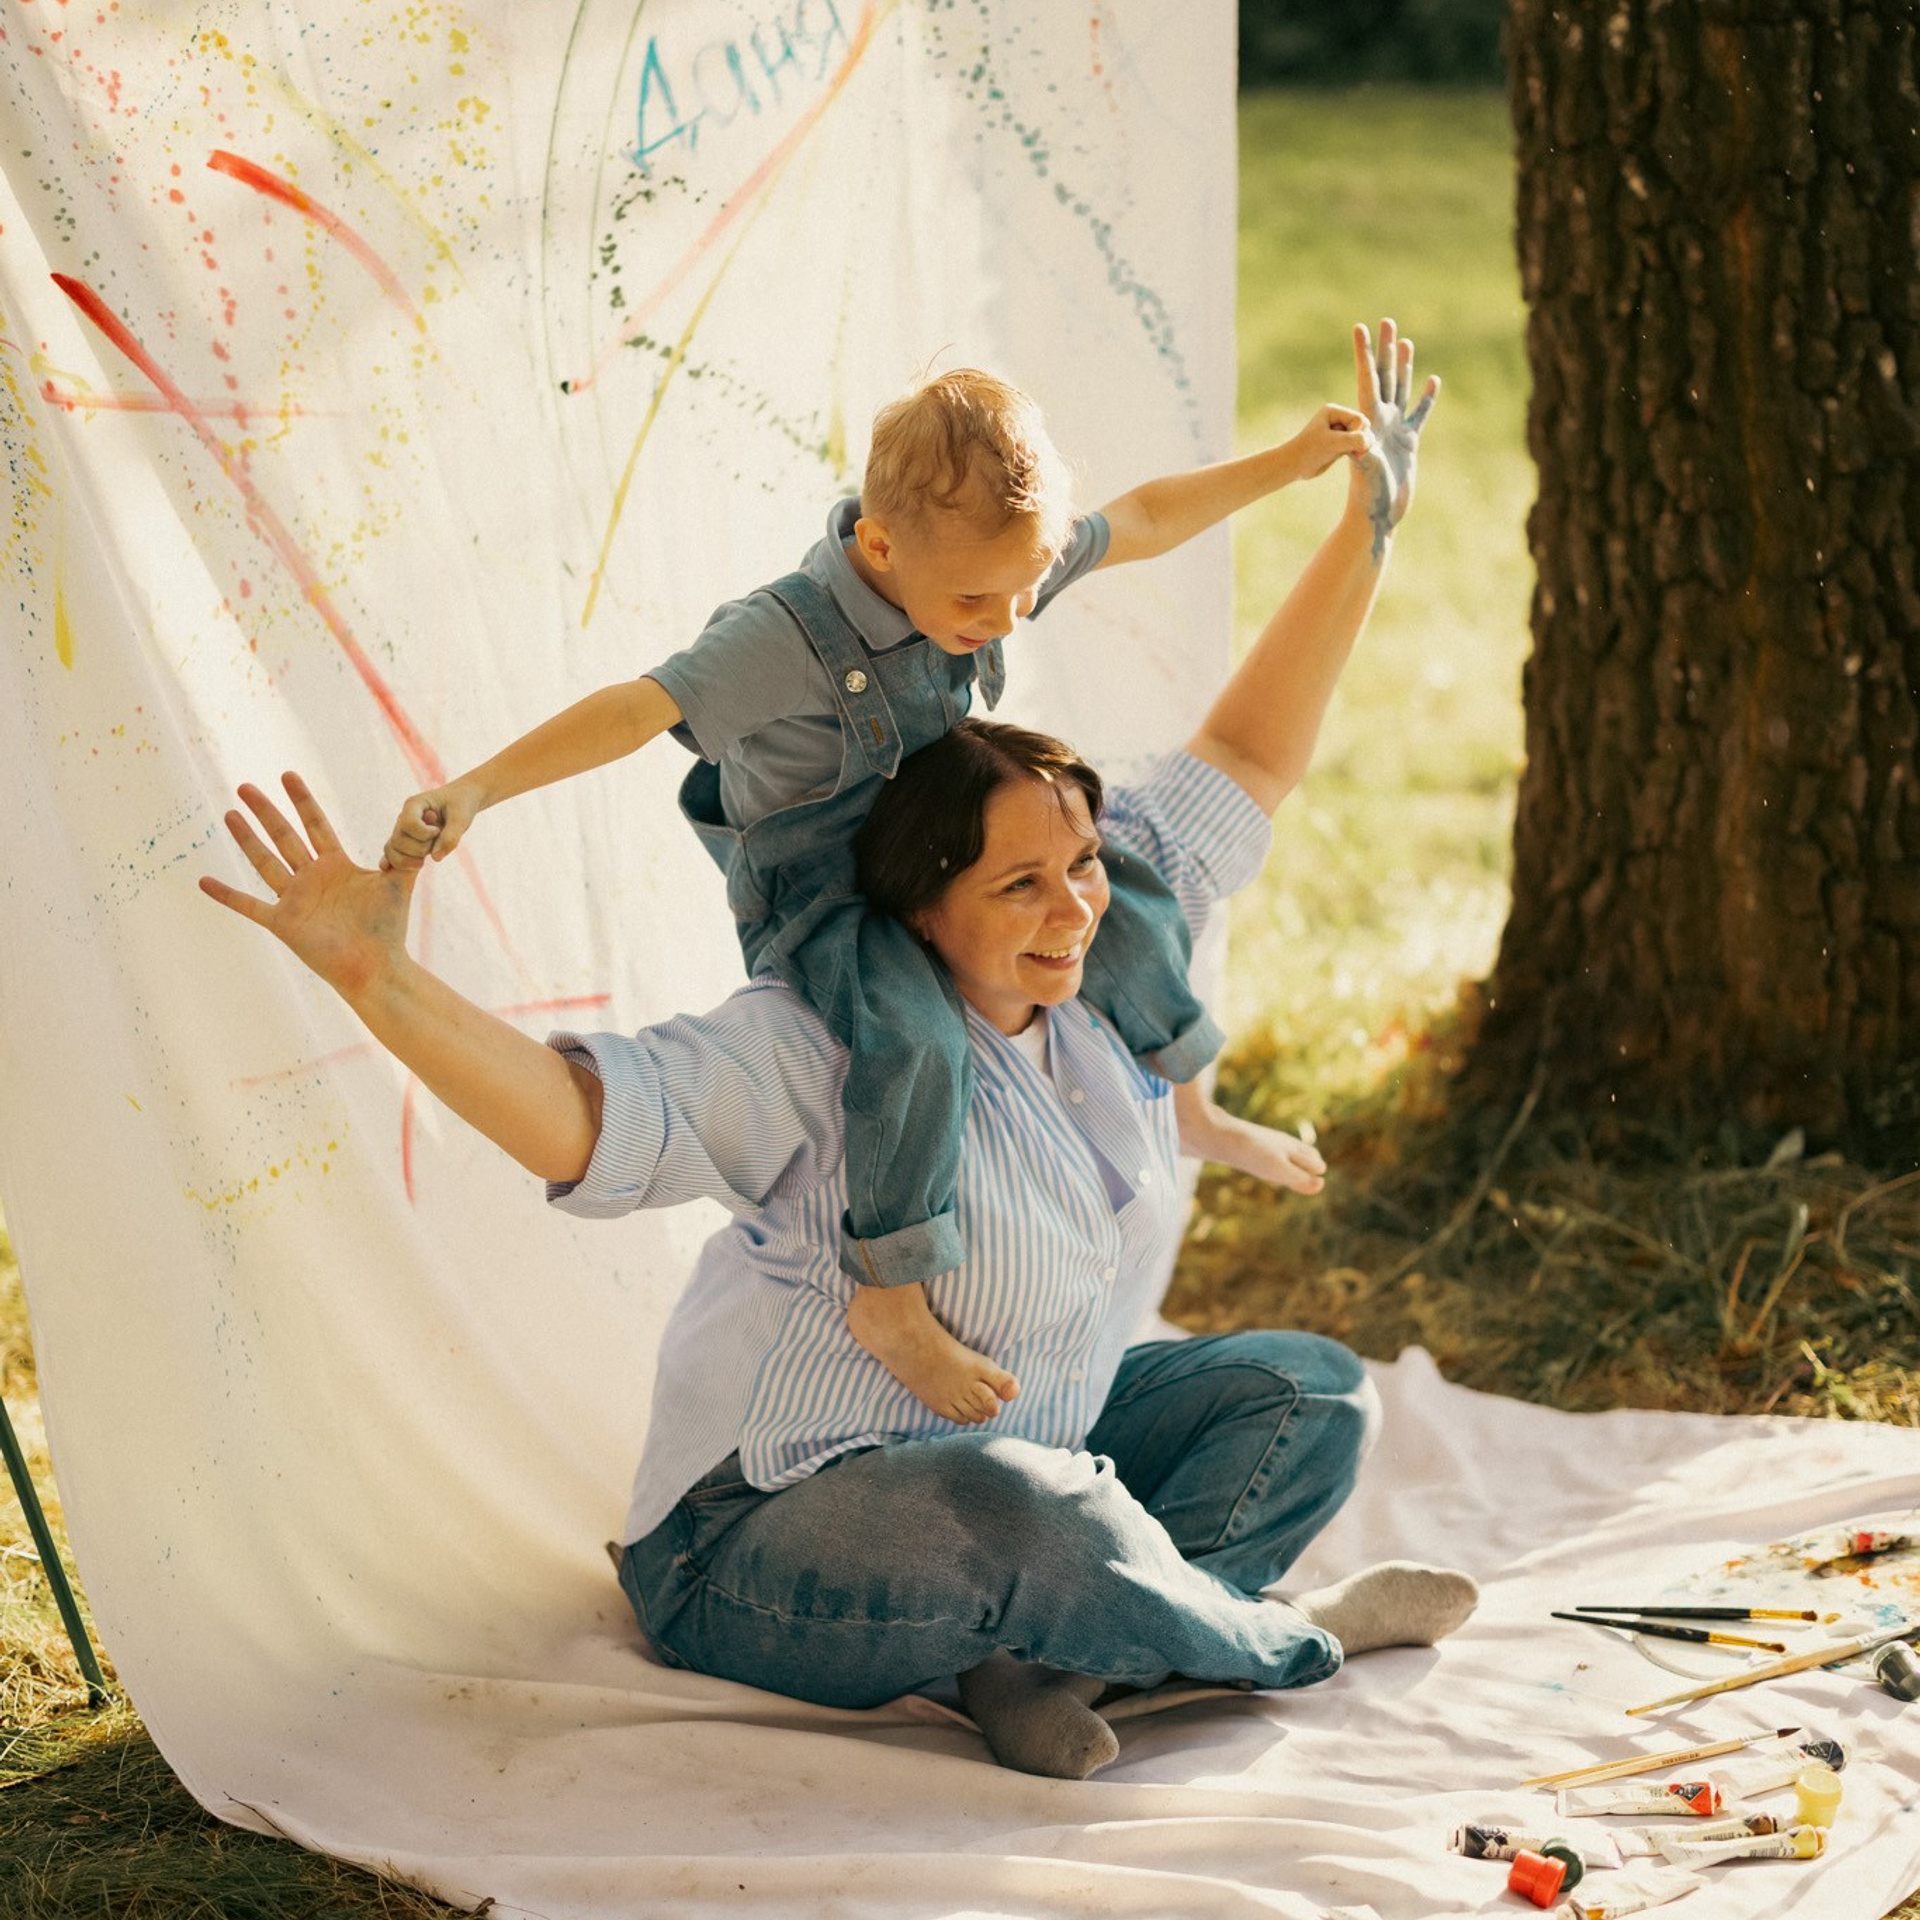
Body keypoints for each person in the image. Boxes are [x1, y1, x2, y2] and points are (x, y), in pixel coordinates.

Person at [202, 320, 1474, 1781]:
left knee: (1308, 1392)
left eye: (1084, 868)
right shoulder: (828, 1029)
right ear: (925, 903)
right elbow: (582, 1119)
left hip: (1027, 1447)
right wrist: (381, 971)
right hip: (769, 1530)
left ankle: (1040, 1664)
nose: (1072, 908)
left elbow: (1249, 752)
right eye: (1021, 886)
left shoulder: (1088, 900)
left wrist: (1365, 521)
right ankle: (1278, 1640)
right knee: (1024, 1514)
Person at [375, 365, 1359, 1428]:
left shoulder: (989, 553)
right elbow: (633, 708)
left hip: (937, 834)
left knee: (1122, 891)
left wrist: (1289, 463)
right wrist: (475, 787)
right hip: (832, 889)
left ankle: (1192, 1106)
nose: (1006, 617)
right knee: (915, 1038)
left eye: (1024, 591)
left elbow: (1144, 517)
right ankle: (893, 1295)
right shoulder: (780, 637)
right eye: (979, 602)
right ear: (882, 549)